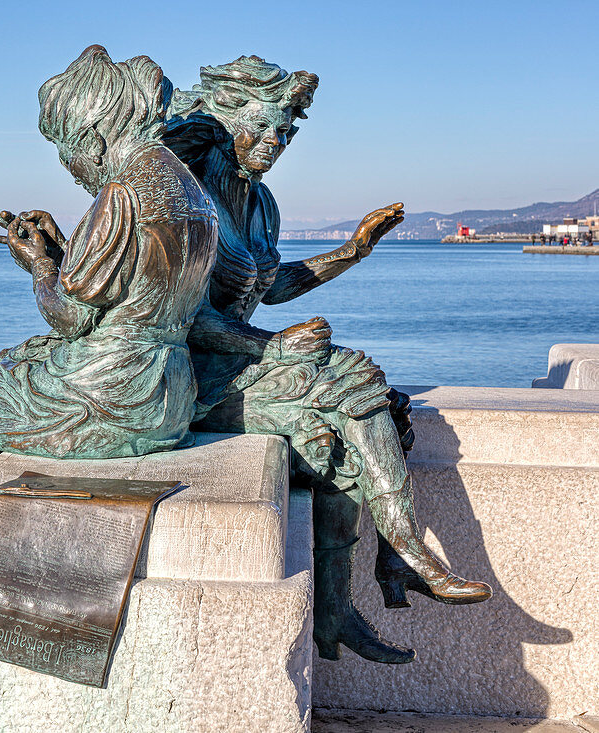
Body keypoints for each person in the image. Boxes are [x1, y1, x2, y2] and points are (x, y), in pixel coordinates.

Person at [162, 56, 491, 663]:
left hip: (248, 355)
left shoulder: (261, 204)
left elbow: (272, 283)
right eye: (261, 127)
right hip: (195, 373)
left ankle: (348, 603)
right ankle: (399, 559)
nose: (276, 143)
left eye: (286, 132)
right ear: (220, 117)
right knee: (351, 388)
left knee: (369, 398)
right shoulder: (182, 198)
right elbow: (179, 316)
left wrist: (353, 250)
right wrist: (274, 346)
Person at [0, 46, 218, 604]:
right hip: (170, 390)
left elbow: (70, 316)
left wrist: (38, 265)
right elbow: (124, 288)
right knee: (13, 361)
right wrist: (62, 249)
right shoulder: (189, 191)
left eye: (69, 155)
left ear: (96, 138)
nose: (73, 171)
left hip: (113, 395)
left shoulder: (122, 192)